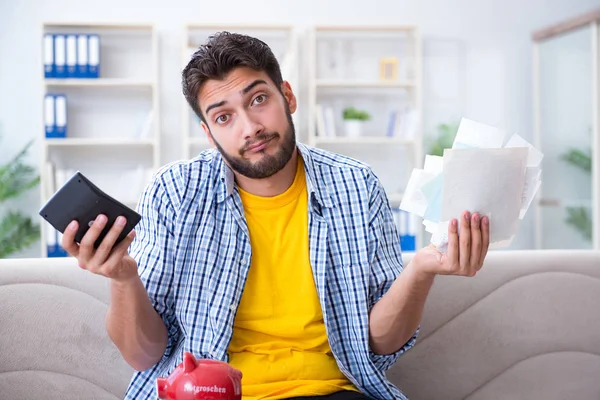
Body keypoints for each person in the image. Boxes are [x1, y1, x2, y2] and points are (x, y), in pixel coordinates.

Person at [62, 32, 490, 400]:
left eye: (259, 99)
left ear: (287, 96)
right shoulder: (174, 192)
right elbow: (145, 355)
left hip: (333, 391)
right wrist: (123, 278)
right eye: (225, 116)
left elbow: (378, 343)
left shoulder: (356, 186)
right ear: (209, 134)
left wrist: (420, 271)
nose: (249, 128)